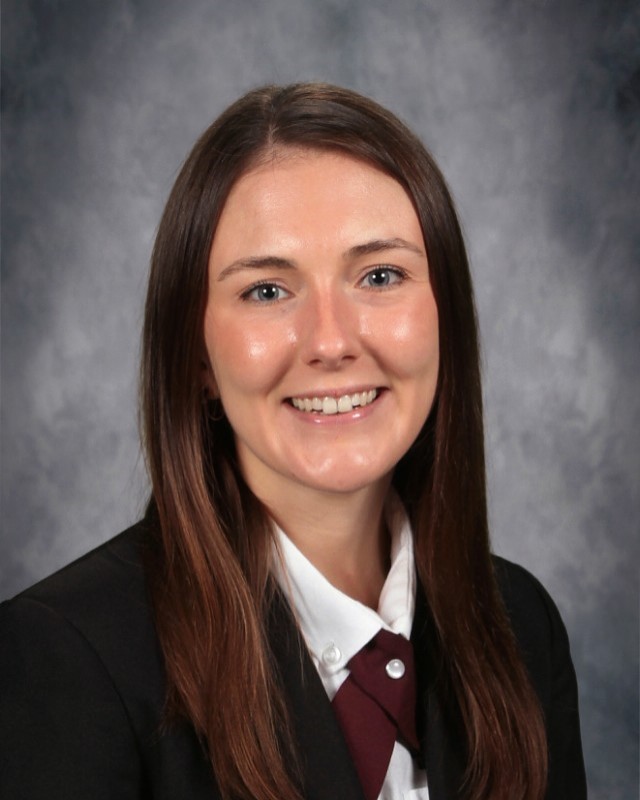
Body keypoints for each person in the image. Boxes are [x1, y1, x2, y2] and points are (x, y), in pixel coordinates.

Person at [0, 83, 586, 800]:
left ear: (446, 318)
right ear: (197, 357)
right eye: (267, 291)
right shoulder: (69, 660)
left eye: (380, 275)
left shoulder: (521, 626)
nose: (331, 342)